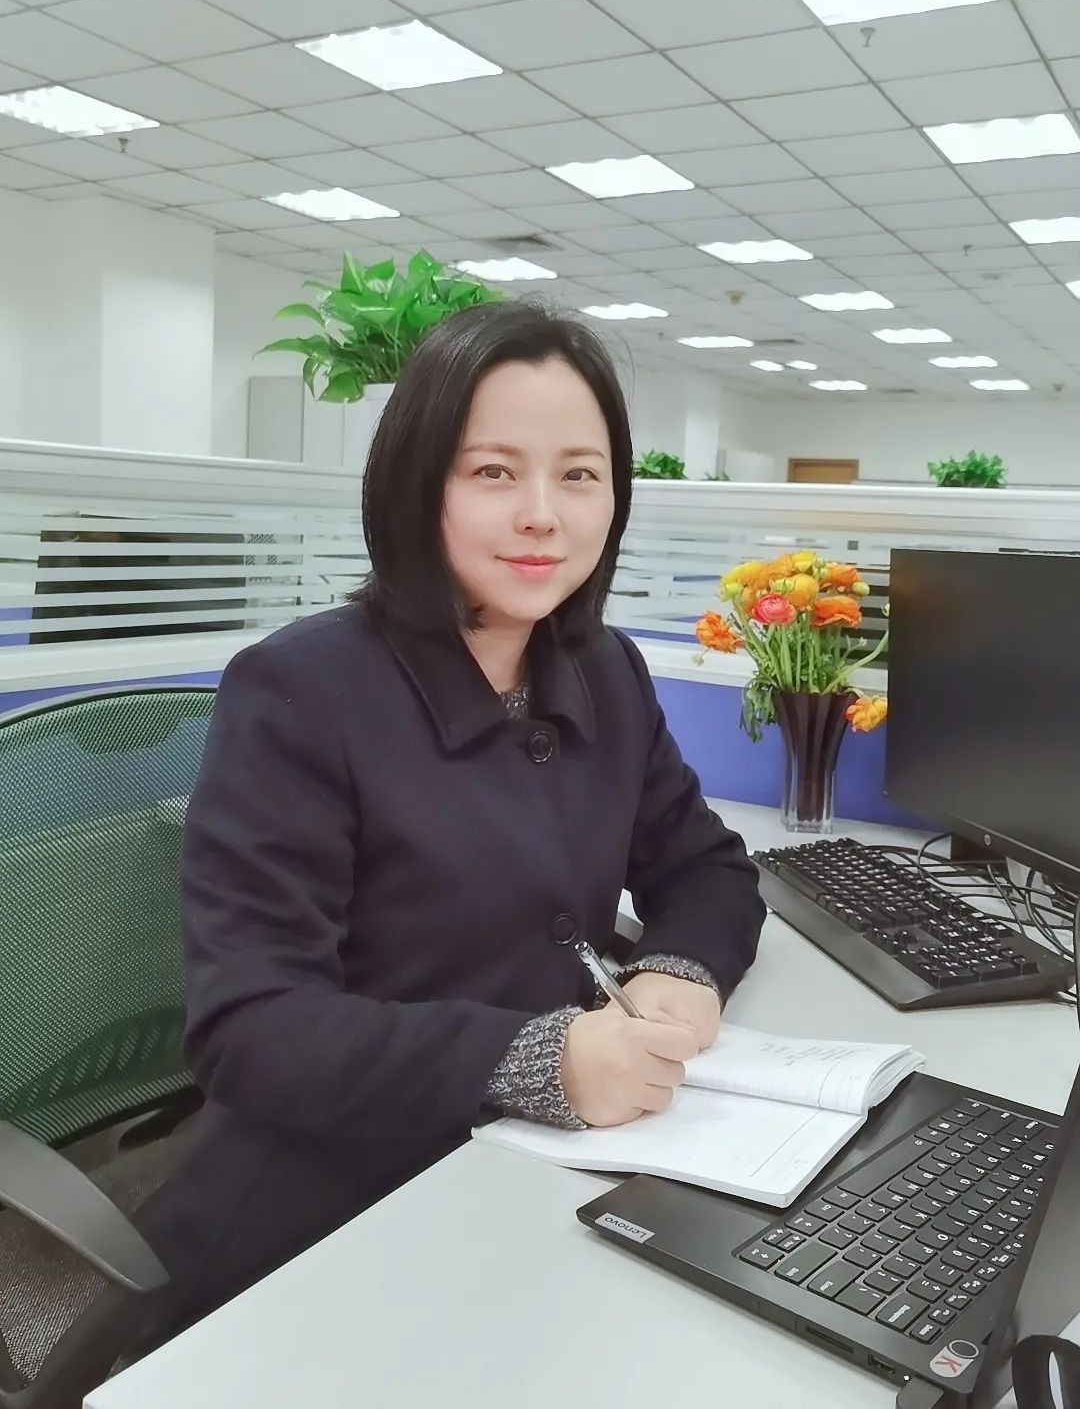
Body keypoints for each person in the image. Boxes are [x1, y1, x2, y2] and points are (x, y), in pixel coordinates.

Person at [135, 300, 765, 1340]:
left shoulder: (604, 669)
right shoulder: (301, 689)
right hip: (330, 1211)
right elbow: (252, 1027)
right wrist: (540, 1059)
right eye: (493, 471)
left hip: (539, 1182)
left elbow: (706, 867)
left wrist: (682, 969)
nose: (543, 514)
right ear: (416, 481)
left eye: (579, 473)